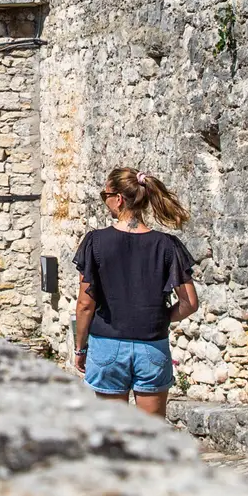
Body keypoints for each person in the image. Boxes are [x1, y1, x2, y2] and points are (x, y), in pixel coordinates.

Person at [72, 167, 197, 417]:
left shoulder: (95, 242)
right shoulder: (167, 246)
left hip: (107, 344)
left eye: (104, 195)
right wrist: (160, 317)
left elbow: (86, 304)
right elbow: (190, 303)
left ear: (118, 199)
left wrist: (80, 348)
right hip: (151, 345)